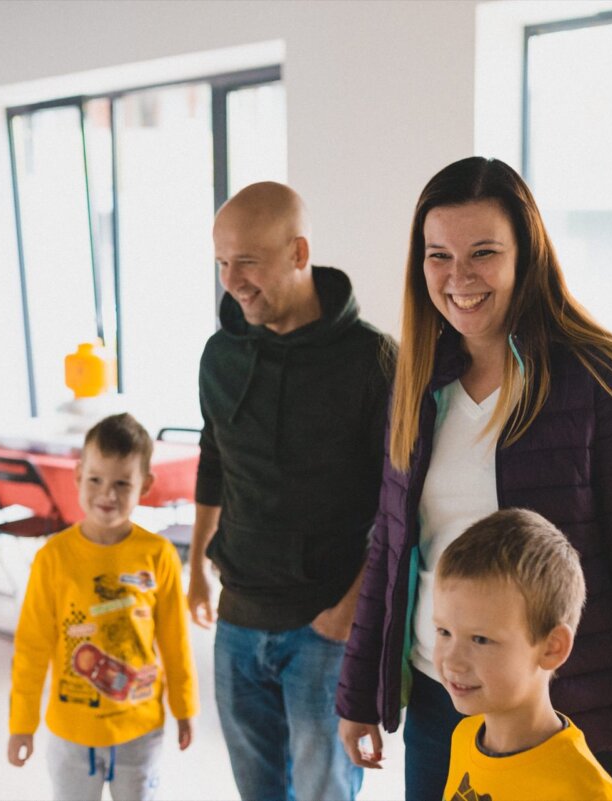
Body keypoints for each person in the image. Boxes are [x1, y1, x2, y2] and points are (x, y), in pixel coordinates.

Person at [336, 156, 612, 801]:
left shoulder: (608, 389)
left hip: (577, 713)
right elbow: (392, 547)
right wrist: (359, 689)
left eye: (483, 252)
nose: (459, 277)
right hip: (443, 703)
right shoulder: (416, 385)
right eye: (438, 255)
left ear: (527, 256)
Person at [188, 181, 394, 801]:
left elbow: (399, 503)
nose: (232, 279)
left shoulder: (372, 361)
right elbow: (214, 459)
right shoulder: (219, 356)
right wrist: (197, 565)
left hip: (325, 626)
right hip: (239, 617)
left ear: (299, 252)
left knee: (324, 793)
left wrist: (353, 608)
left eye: (247, 261)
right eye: (223, 262)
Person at [7, 413, 198, 801]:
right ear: (77, 476)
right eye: (95, 480)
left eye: (121, 483)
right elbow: (31, 649)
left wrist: (184, 706)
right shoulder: (52, 558)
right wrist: (21, 723)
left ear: (144, 485)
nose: (107, 494)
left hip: (140, 732)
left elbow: (175, 639)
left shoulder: (158, 555)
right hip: (71, 734)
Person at [434, 508, 612, 801]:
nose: (452, 660)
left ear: (552, 648)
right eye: (444, 632)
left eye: (481, 639)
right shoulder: (464, 736)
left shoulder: (586, 793)